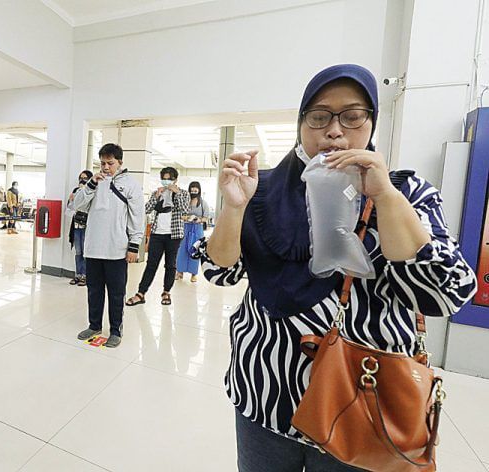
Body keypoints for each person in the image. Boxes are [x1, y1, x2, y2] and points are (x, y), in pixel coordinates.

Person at [197, 64, 477, 471]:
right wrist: (234, 207)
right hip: (265, 395)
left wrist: (384, 198)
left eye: (352, 115)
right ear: (301, 123)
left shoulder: (406, 192)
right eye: (319, 116)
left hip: (364, 402)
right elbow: (220, 272)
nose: (333, 130)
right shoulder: (264, 188)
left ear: (371, 123)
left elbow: (445, 293)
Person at [74, 143, 144, 348]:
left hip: (117, 249)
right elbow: (77, 205)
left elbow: (137, 217)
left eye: (110, 163)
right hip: (93, 247)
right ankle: (94, 325)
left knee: (116, 293)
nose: (105, 167)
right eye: (102, 163)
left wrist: (134, 246)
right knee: (94, 290)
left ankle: (116, 329)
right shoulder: (94, 183)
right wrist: (91, 185)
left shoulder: (131, 184)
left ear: (120, 162)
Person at [126, 167, 189, 306]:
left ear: (175, 179)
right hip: (157, 234)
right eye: (164, 178)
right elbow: (146, 210)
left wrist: (176, 193)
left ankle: (166, 292)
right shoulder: (157, 193)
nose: (166, 181)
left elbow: (185, 210)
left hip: (174, 234)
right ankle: (141, 293)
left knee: (170, 265)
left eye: (169, 178)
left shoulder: (183, 193)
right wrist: (156, 197)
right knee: (151, 265)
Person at [176, 181, 211, 283]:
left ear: (199, 190)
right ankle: (179, 272)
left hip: (197, 229)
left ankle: (194, 274)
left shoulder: (203, 203)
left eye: (196, 190)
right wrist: (187, 217)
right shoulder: (186, 202)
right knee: (181, 250)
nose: (193, 191)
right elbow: (181, 215)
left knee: (195, 250)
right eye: (192, 190)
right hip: (185, 228)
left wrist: (198, 219)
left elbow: (206, 217)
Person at [67, 170, 94, 286]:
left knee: (85, 252)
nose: (82, 180)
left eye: (85, 178)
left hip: (86, 225)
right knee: (78, 252)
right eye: (81, 177)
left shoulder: (92, 191)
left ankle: (86, 276)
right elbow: (70, 207)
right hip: (76, 225)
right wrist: (72, 199)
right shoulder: (75, 191)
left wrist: (83, 192)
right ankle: (78, 274)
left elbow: (85, 206)